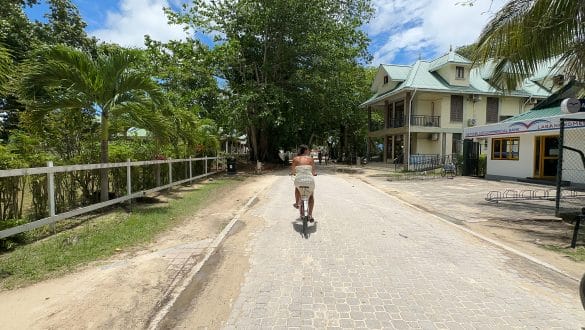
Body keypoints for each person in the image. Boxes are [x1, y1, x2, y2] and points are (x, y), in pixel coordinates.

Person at [291, 144, 317, 221]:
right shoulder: (310, 159)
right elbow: (313, 171)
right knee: (311, 196)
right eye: (308, 150)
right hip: (309, 181)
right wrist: (314, 173)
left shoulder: (295, 159)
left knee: (297, 188)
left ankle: (296, 203)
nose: (309, 151)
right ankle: (310, 215)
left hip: (299, 180)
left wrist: (293, 173)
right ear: (305, 150)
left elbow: (293, 171)